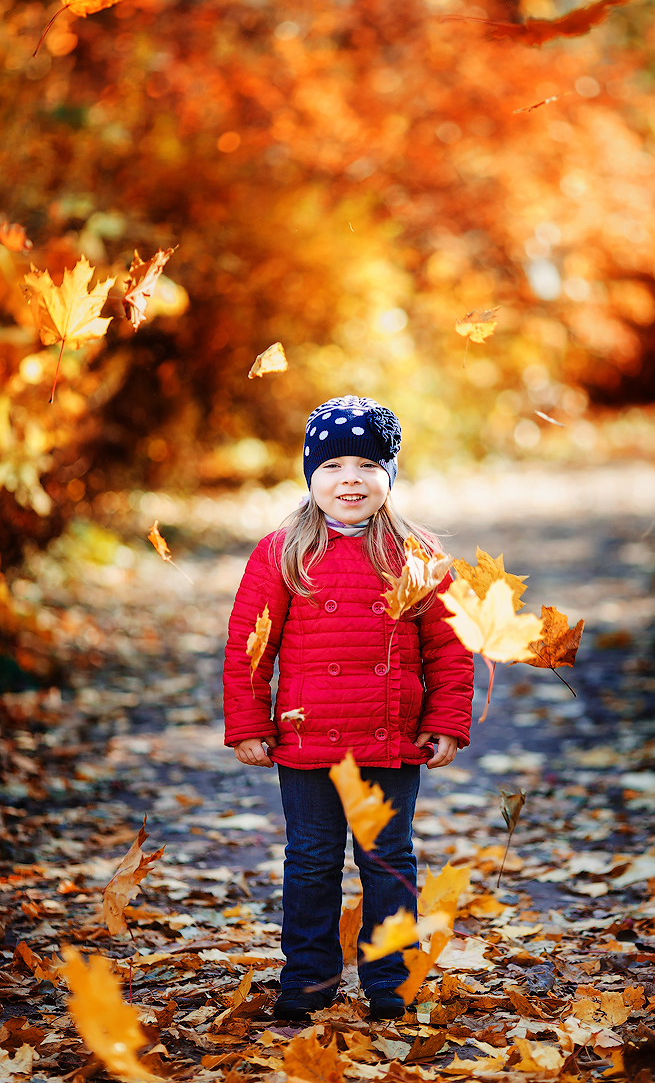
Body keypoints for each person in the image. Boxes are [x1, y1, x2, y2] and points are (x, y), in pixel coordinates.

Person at [223, 396, 474, 1023]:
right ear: (311, 475)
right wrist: (249, 724)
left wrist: (445, 721)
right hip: (308, 744)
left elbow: (450, 650)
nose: (351, 479)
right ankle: (308, 978)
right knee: (311, 861)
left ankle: (391, 980)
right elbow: (250, 646)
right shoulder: (282, 552)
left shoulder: (417, 557)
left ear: (390, 475)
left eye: (367, 463)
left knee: (388, 860)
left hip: (389, 740)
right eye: (333, 465)